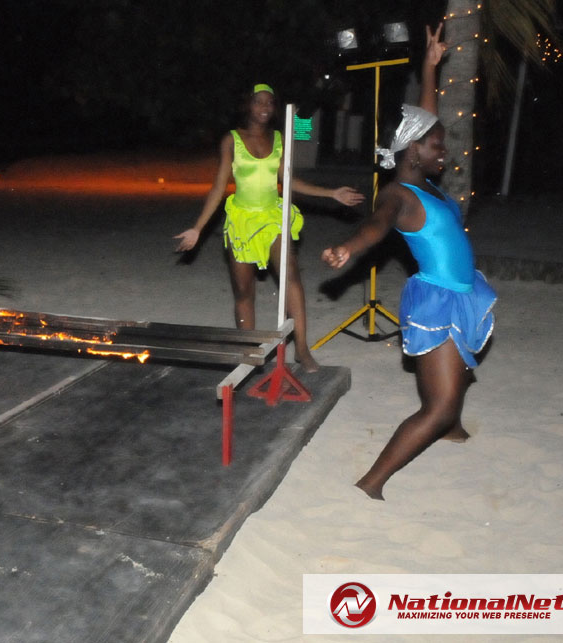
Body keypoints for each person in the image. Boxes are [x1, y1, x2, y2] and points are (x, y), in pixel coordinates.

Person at [321, 25, 496, 500]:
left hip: (459, 290)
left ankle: (453, 428)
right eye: (438, 147)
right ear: (414, 150)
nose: (446, 151)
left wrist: (430, 65)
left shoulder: (423, 179)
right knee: (436, 406)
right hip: (437, 298)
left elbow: (426, 118)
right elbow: (376, 225)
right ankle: (371, 482)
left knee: (459, 366)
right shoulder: (399, 194)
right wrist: (351, 248)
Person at [174, 83, 364, 372]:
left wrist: (331, 193)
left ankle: (301, 349)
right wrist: (198, 228)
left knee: (291, 278)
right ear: (247, 105)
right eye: (258, 102)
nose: (264, 108)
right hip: (241, 220)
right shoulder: (232, 140)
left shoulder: (278, 138)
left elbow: (290, 182)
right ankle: (248, 352)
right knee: (244, 290)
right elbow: (218, 187)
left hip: (272, 217)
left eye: (269, 103)